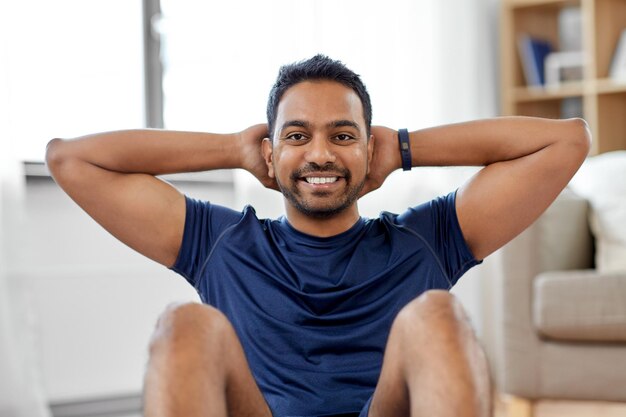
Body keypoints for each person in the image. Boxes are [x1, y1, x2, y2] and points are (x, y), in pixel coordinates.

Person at [45, 55, 591, 417]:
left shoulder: (428, 238)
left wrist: (404, 147)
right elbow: (71, 158)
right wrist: (235, 149)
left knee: (436, 316)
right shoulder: (221, 242)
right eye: (297, 136)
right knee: (184, 325)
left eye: (343, 135)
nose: (321, 154)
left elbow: (566, 142)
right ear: (271, 152)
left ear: (367, 151)